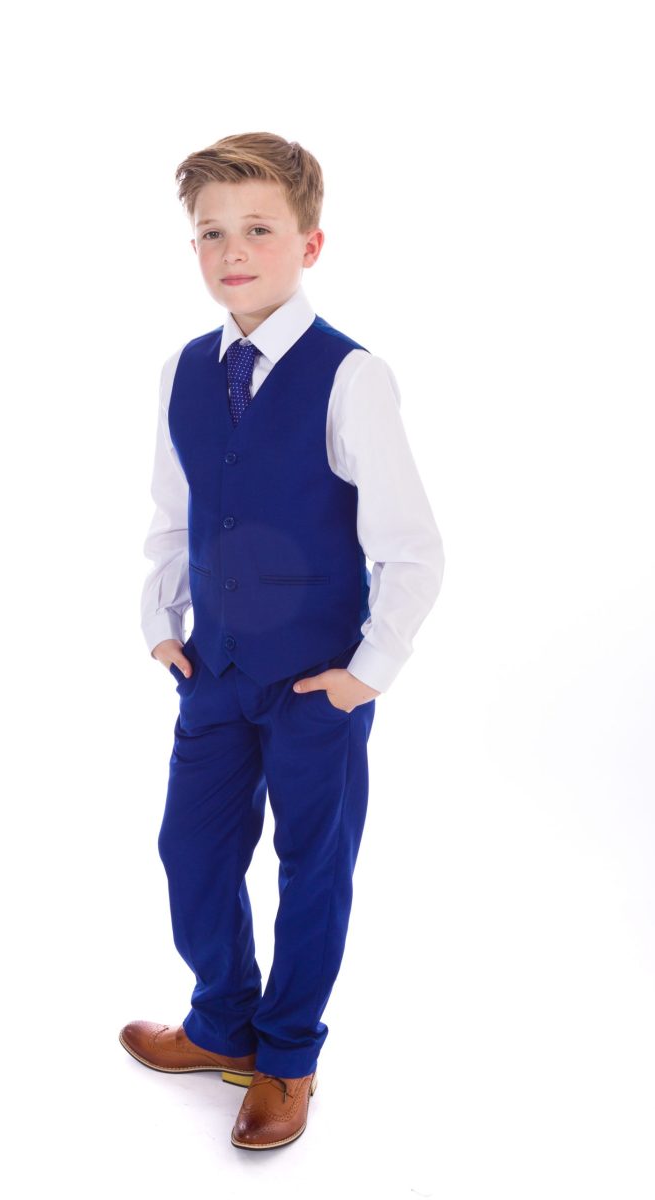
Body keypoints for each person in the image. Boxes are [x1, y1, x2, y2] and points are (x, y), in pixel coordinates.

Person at [120, 131, 445, 1151]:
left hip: (316, 682)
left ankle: (288, 1056)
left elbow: (411, 546)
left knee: (312, 867)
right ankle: (221, 1022)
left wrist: (366, 673)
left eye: (258, 229)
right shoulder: (183, 369)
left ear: (309, 244)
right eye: (211, 232)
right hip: (213, 671)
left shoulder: (350, 376)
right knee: (192, 850)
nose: (233, 250)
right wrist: (161, 624)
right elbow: (175, 510)